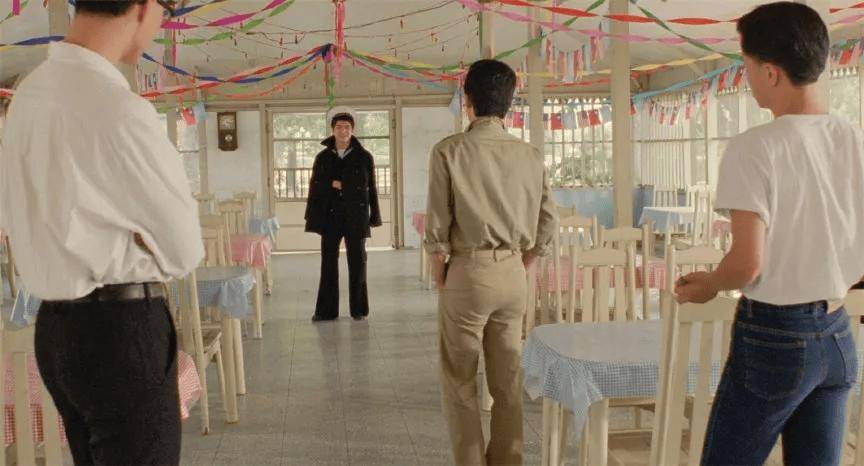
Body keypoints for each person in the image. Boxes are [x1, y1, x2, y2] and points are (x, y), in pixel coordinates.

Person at [0, 0, 203, 464]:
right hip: (121, 330)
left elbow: (13, 218)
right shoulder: (118, 107)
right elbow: (184, 249)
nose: (162, 24)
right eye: (167, 10)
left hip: (54, 328)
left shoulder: (26, 98)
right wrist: (136, 238)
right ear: (144, 7)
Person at [674, 3, 864, 464]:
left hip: (776, 335)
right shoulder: (854, 138)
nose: (746, 77)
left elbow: (747, 263)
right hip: (838, 334)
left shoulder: (754, 147)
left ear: (771, 73)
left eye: (747, 65)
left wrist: (710, 284)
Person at [426, 59, 557, 466]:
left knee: (460, 382)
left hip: (469, 271)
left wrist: (442, 276)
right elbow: (548, 221)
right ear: (509, 103)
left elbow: (437, 227)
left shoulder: (449, 151)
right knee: (507, 382)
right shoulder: (530, 154)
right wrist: (525, 262)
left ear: (468, 100)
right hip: (514, 274)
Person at [305, 110, 382, 321]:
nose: (343, 131)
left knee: (358, 262)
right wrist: (314, 214)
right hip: (330, 216)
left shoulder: (364, 157)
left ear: (353, 130)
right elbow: (315, 187)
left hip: (356, 216)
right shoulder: (322, 157)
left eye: (347, 127)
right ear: (332, 130)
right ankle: (326, 311)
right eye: (339, 127)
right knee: (328, 263)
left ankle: (359, 310)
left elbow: (370, 188)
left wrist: (374, 215)